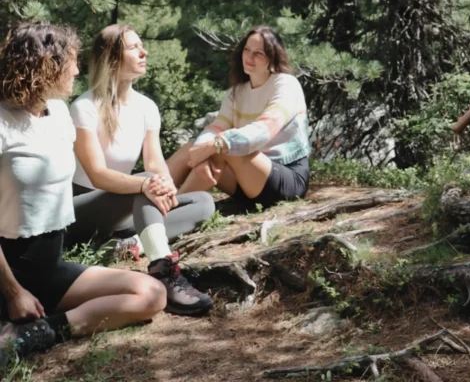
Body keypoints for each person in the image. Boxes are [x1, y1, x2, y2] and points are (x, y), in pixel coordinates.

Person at [0, 22, 166, 366]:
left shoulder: (60, 113)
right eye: (71, 62)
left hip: (49, 268)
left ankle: (40, 332)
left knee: (151, 293)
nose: (77, 70)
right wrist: (14, 292)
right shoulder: (2, 122)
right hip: (8, 274)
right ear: (46, 64)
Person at [67, 24, 214, 317]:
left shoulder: (146, 107)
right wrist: (147, 184)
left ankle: (128, 244)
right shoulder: (84, 108)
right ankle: (163, 270)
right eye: (134, 48)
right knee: (145, 182)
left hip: (121, 211)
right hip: (80, 210)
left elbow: (155, 162)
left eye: (141, 45)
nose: (144, 52)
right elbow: (97, 175)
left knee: (203, 202)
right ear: (112, 59)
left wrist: (165, 184)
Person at [167, 25, 311, 210]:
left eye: (258, 53)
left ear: (272, 57)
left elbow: (265, 129)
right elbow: (216, 127)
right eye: (247, 50)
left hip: (286, 180)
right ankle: (146, 197)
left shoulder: (286, 85)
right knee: (191, 148)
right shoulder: (236, 93)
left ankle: (170, 213)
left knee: (223, 147)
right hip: (245, 182)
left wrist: (214, 146)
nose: (249, 58)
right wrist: (201, 154)